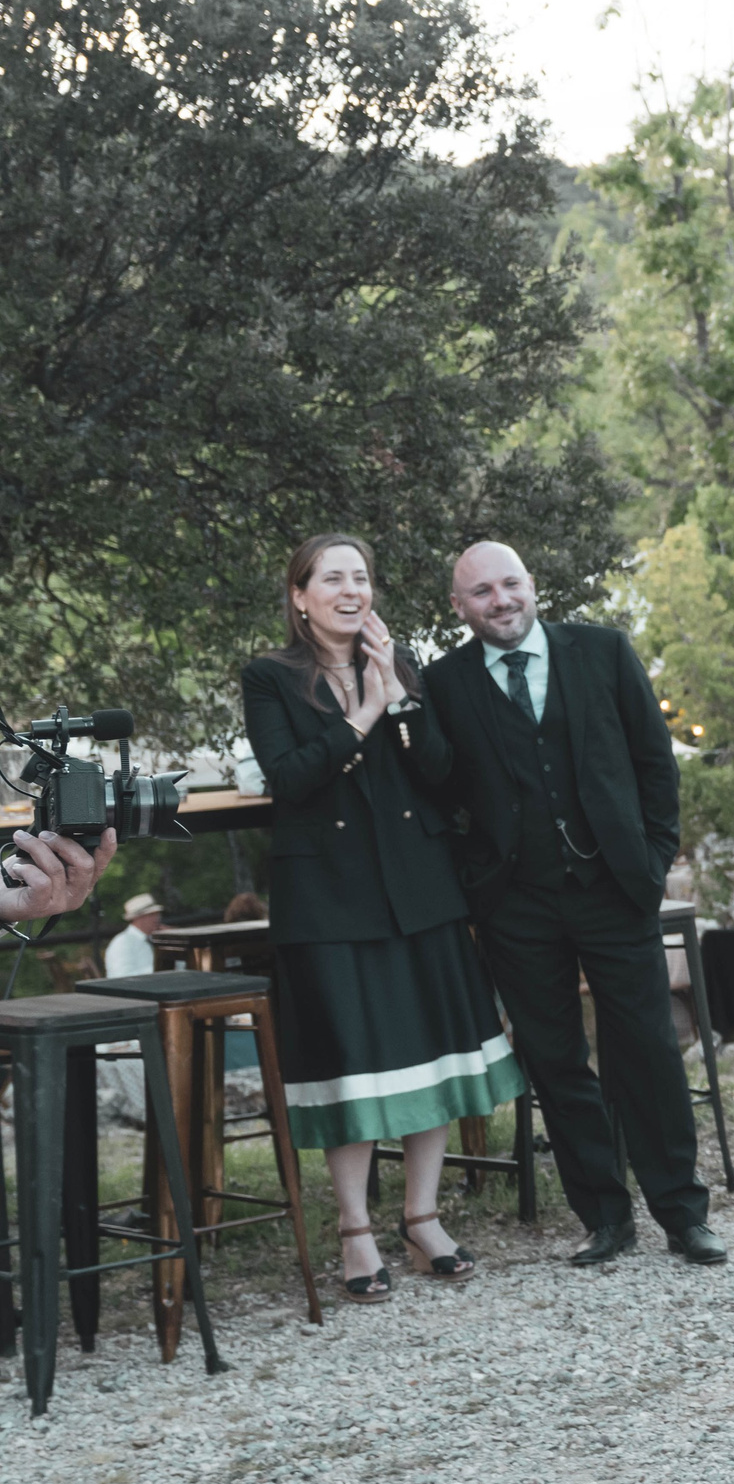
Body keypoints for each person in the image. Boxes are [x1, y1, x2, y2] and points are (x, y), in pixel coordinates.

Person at [242, 534, 527, 1303]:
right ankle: (355, 1229)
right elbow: (290, 778)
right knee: (353, 1059)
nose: (351, 590)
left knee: (429, 1052)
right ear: (300, 596)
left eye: (360, 577)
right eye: (332, 578)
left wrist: (396, 696)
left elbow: (440, 773)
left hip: (419, 886)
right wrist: (363, 711)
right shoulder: (270, 677)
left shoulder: (403, 665)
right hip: (328, 898)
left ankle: (422, 1218)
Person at [424, 542, 723, 1269]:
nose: (501, 600)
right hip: (514, 904)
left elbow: (655, 762)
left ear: (533, 585)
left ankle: (683, 1213)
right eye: (481, 592)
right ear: (458, 607)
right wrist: (475, 880)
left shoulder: (603, 651)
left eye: (510, 584)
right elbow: (439, 790)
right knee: (556, 1060)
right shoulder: (444, 683)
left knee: (649, 1049)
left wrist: (652, 860)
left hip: (614, 888)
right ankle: (605, 1217)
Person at [102, 891, 163, 977]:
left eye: (157, 914)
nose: (157, 918)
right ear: (138, 917)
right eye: (151, 914)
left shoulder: (153, 939)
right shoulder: (122, 942)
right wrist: (161, 969)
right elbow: (121, 977)